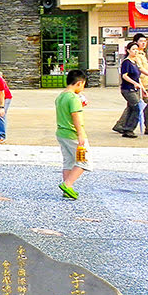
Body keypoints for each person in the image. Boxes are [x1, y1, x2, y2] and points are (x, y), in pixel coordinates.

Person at [55, 69, 89, 200]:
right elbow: (76, 116)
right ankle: (67, 184)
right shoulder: (73, 98)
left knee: (69, 161)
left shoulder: (61, 96)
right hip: (72, 134)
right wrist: (81, 134)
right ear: (79, 83)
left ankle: (67, 189)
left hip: (61, 133)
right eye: (83, 85)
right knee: (84, 162)